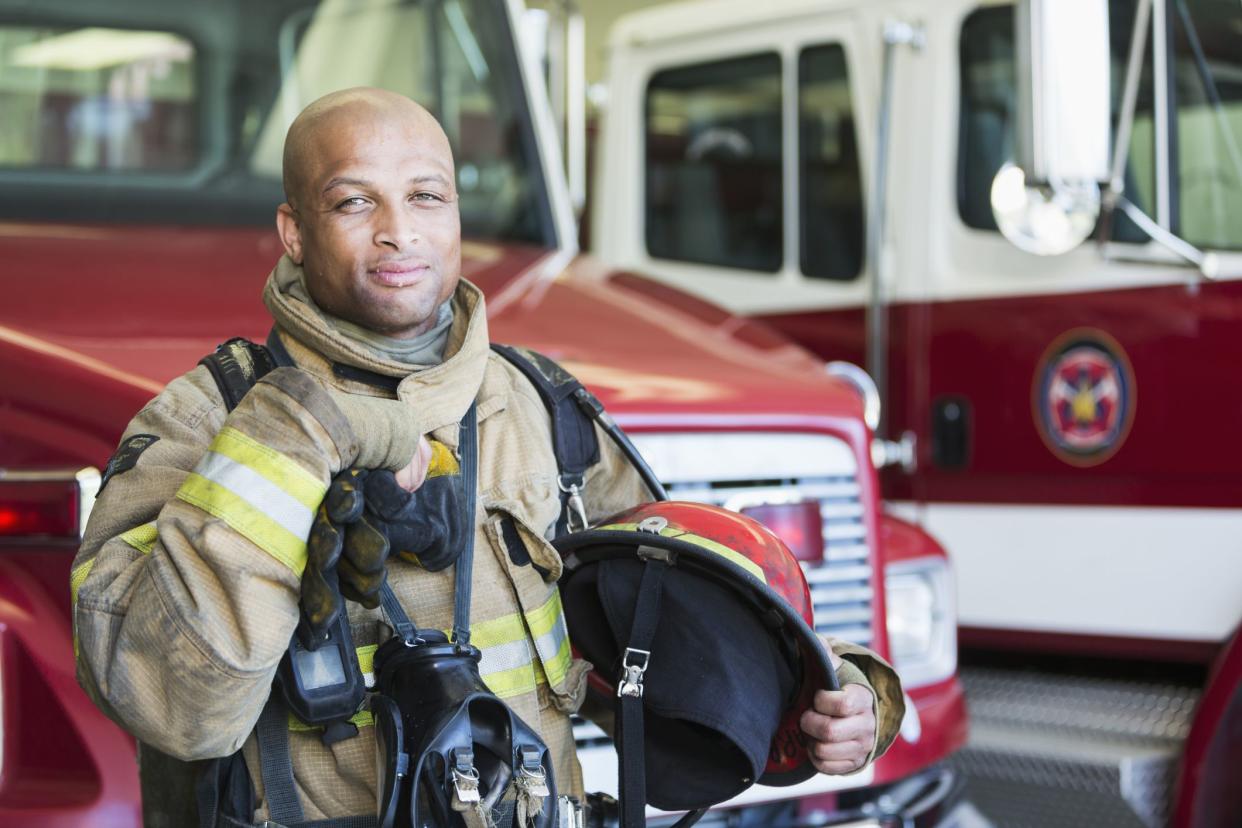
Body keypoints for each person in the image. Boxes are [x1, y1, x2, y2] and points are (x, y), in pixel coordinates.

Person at [71, 87, 902, 826]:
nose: (400, 232)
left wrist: (837, 701)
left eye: (425, 196)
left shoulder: (538, 406)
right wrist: (288, 444)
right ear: (293, 231)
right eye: (354, 202)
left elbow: (681, 637)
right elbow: (177, 710)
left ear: (456, 214)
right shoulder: (207, 419)